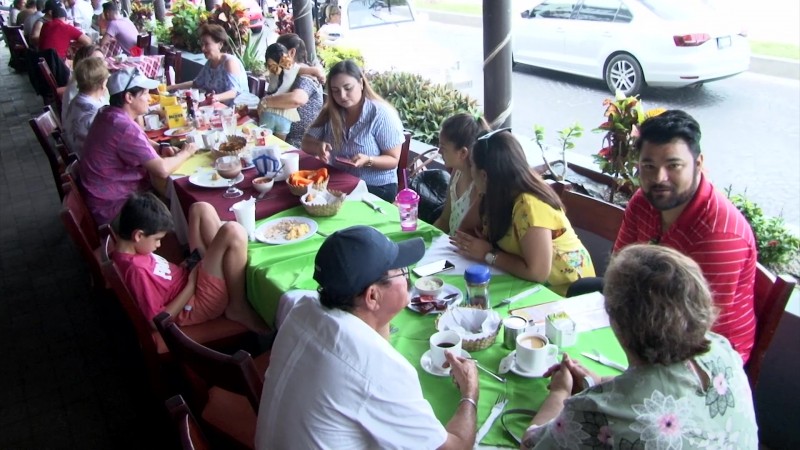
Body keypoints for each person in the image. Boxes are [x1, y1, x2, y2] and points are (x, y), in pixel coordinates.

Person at [256, 225, 479, 449]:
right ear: (372, 296)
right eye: (402, 271)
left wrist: (382, 317)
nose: (408, 277)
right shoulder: (376, 368)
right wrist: (470, 393)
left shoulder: (302, 307)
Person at [520, 244, 758, 449]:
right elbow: (669, 388)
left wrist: (559, 393)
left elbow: (531, 444)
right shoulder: (723, 350)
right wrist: (599, 381)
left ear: (616, 321)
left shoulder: (595, 411)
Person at [614, 109, 757, 363]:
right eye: (649, 166)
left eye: (673, 166)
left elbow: (697, 329)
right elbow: (620, 269)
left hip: (706, 354)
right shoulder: (644, 201)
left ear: (698, 163)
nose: (659, 178)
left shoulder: (721, 235)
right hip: (651, 317)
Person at [450, 129, 595, 295]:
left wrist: (488, 253)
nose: (470, 172)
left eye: (472, 166)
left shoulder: (530, 205)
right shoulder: (492, 193)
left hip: (564, 293)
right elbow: (463, 232)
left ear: (484, 175)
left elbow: (538, 272)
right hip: (523, 283)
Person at [112, 193, 269, 333]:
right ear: (138, 235)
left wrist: (186, 267)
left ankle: (228, 257)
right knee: (233, 231)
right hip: (196, 301)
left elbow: (161, 279)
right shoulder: (136, 270)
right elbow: (156, 322)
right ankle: (237, 306)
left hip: (190, 277)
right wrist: (191, 285)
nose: (159, 245)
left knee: (200, 208)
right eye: (157, 239)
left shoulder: (128, 250)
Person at [78, 67, 198, 225]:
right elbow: (162, 169)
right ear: (128, 97)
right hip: (116, 211)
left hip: (102, 202)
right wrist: (187, 152)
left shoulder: (108, 114)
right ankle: (179, 244)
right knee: (190, 211)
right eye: (146, 93)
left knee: (172, 197)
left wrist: (160, 148)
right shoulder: (123, 127)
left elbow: (140, 141)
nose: (150, 98)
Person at [302, 59, 406, 203]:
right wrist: (318, 147)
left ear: (361, 84)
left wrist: (369, 160)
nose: (342, 96)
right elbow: (306, 143)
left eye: (348, 88)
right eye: (335, 91)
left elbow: (393, 160)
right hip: (340, 180)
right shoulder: (330, 112)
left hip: (376, 187)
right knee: (306, 199)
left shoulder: (381, 114)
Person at [257, 32, 323, 148]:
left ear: (291, 53)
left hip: (297, 144)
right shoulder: (287, 73)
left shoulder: (306, 77)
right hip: (282, 135)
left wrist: (265, 102)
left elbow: (296, 99)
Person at [432, 113, 489, 236]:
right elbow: (444, 220)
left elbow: (469, 235)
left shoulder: (477, 186)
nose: (439, 151)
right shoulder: (456, 173)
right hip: (450, 245)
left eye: (443, 147)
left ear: (462, 153)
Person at [167, 24, 248, 106]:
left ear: (220, 44)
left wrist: (216, 98)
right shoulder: (210, 62)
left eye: (207, 44)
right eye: (202, 44)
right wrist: (170, 87)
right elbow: (196, 83)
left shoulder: (230, 62)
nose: (203, 48)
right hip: (215, 108)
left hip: (235, 111)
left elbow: (234, 92)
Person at [62, 56, 108, 156]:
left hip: (77, 154)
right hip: (90, 161)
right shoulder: (97, 110)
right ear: (102, 83)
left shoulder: (76, 100)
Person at [257, 42, 303, 140]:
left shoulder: (272, 69)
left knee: (263, 142)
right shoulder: (294, 69)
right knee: (279, 146)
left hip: (267, 112)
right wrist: (319, 73)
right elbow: (310, 70)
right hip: (285, 116)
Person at [61, 44, 105, 123]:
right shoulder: (80, 87)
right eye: (97, 62)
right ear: (84, 65)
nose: (104, 65)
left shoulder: (88, 84)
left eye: (103, 60)